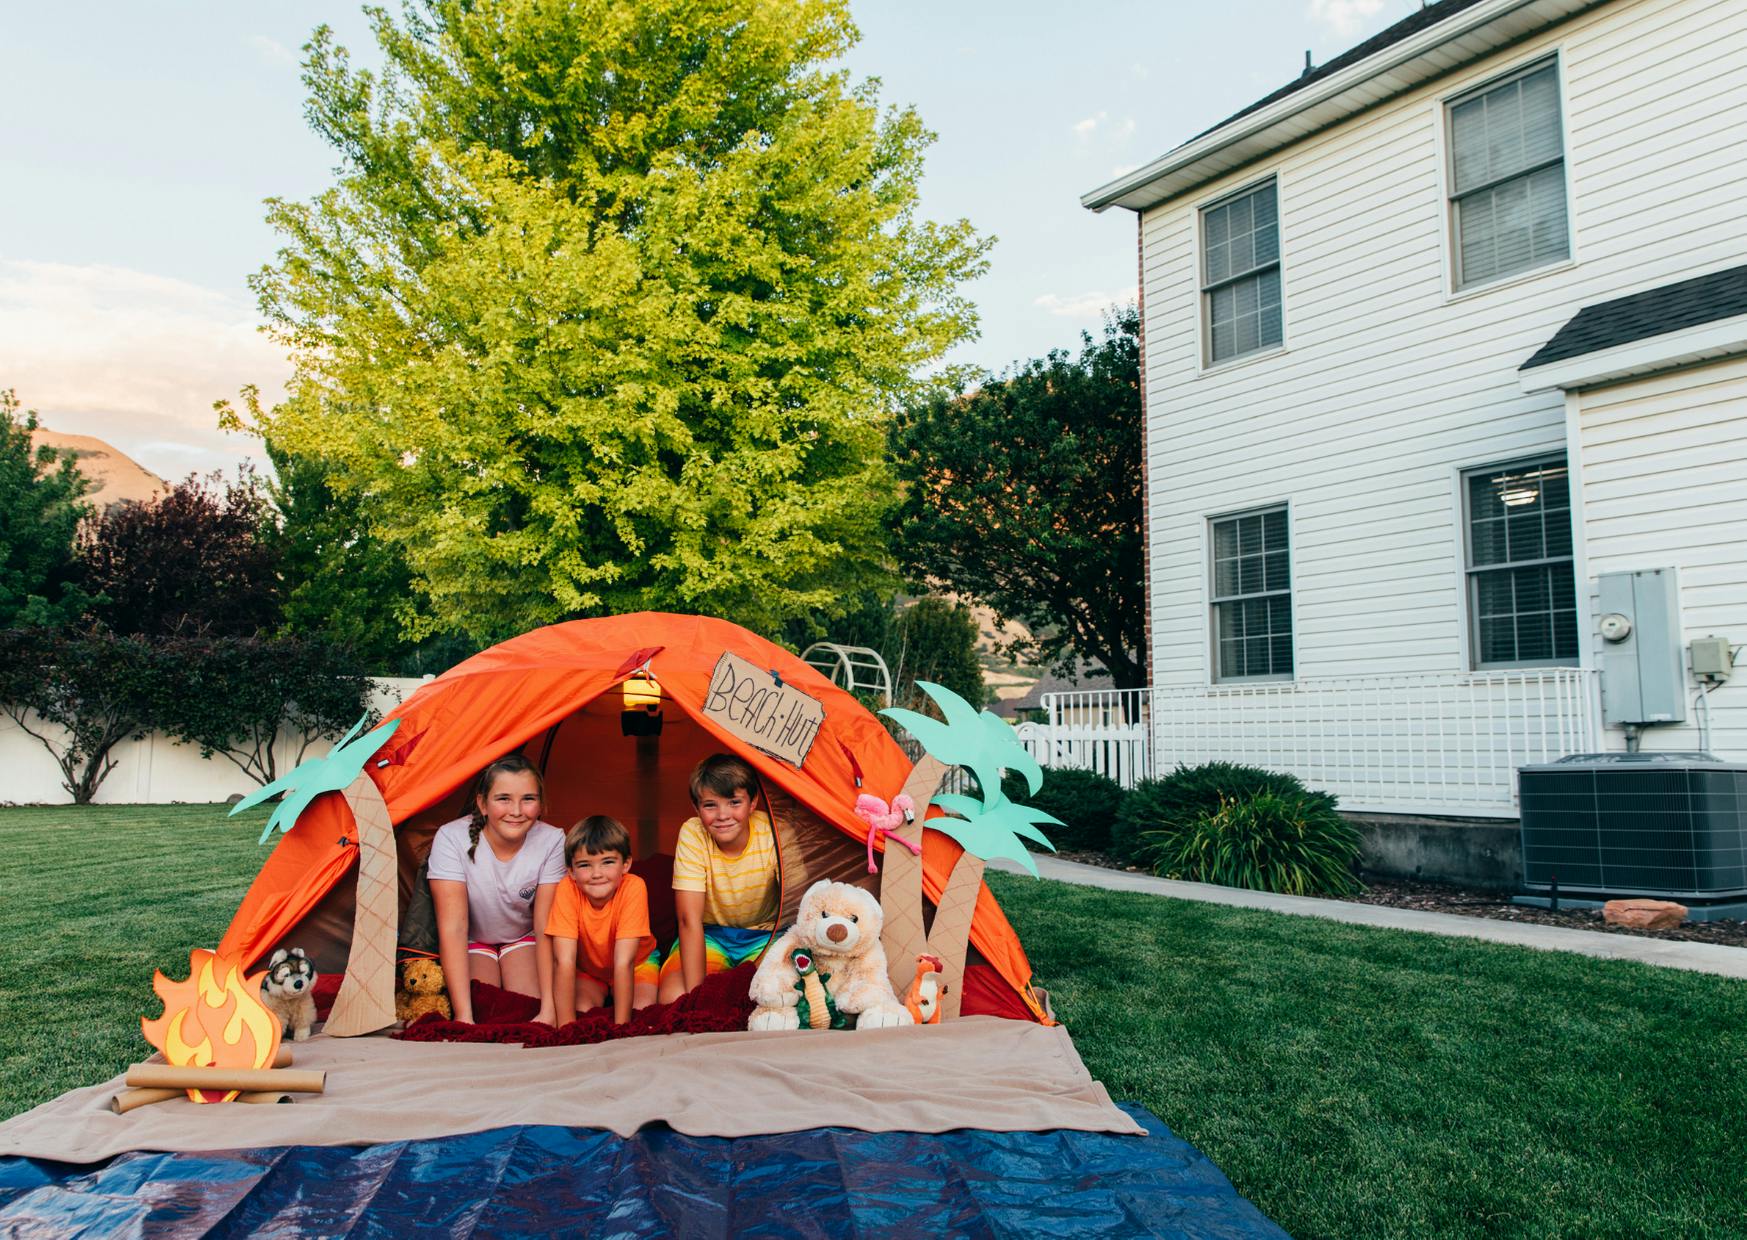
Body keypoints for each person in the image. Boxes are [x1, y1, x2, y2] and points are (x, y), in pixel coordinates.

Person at [427, 754, 565, 1025]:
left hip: (522, 937)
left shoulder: (552, 839)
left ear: (540, 804)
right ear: (482, 804)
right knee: (484, 1009)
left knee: (525, 1008)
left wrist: (550, 1009)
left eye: (528, 799)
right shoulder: (451, 837)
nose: (516, 810)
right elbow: (453, 926)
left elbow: (545, 924)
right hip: (472, 940)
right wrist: (464, 1018)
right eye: (503, 799)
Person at [657, 753, 779, 1003]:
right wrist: (697, 999)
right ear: (696, 808)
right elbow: (689, 919)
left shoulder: (773, 832)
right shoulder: (693, 833)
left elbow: (799, 901)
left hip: (765, 935)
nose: (723, 815)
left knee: (771, 994)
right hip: (710, 936)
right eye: (710, 805)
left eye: (734, 802)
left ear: (752, 802)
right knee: (674, 997)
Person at [546, 815, 659, 1025]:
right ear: (571, 871)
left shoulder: (634, 886)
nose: (597, 873)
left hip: (637, 964)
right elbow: (564, 960)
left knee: (642, 1008)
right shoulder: (567, 889)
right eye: (585, 865)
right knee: (581, 1009)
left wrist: (621, 1028)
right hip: (591, 970)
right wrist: (566, 1028)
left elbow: (624, 961)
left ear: (626, 864)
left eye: (607, 862)